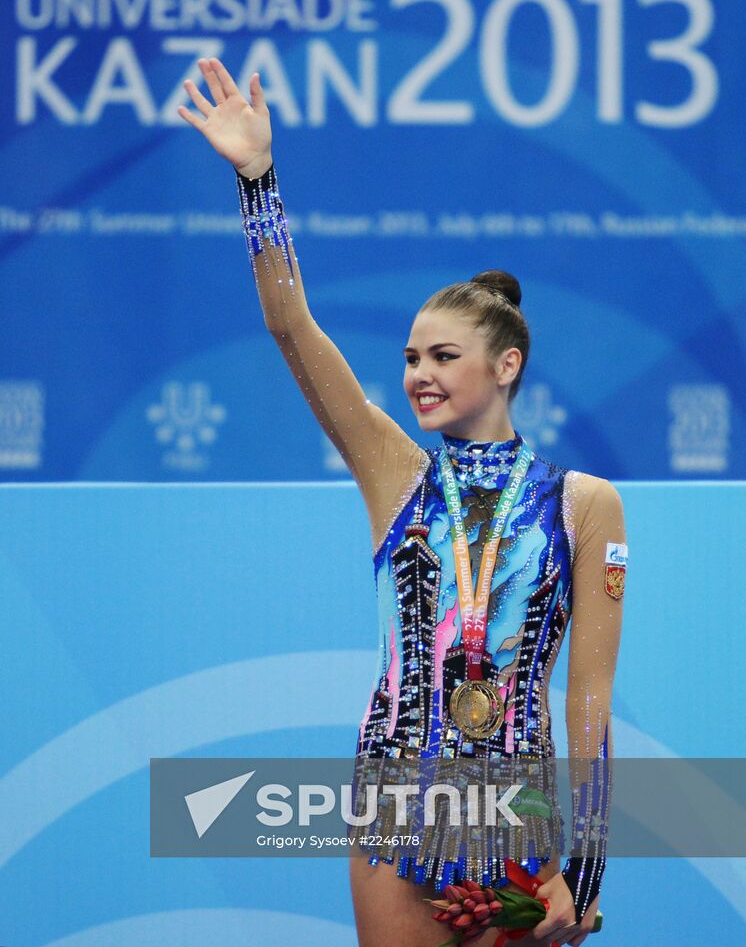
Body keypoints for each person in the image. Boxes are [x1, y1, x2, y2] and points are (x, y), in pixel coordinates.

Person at [179, 58, 625, 947]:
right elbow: (290, 327)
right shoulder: (396, 472)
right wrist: (257, 180)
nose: (419, 375)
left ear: (507, 366)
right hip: (393, 796)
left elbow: (590, 702)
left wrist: (585, 867)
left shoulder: (584, 503)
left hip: (518, 802)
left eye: (444, 357)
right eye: (413, 358)